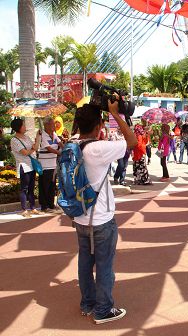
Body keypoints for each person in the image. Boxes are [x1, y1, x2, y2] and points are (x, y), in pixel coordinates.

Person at [72, 101, 137, 324]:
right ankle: (102, 310)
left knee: (84, 263)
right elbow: (133, 142)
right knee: (105, 266)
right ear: (100, 125)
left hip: (80, 217)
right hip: (101, 219)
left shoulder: (73, 145)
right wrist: (115, 113)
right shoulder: (97, 149)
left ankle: (87, 303)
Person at [10, 118, 41, 217]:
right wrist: (32, 148)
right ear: (18, 127)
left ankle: (32, 207)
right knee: (24, 188)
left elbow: (35, 147)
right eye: (23, 125)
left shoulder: (26, 137)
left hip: (31, 165)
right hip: (24, 166)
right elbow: (25, 152)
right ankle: (24, 209)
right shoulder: (14, 140)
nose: (25, 127)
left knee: (31, 188)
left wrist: (38, 137)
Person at [37, 117, 62, 213]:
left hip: (53, 164)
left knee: (52, 185)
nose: (54, 125)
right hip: (45, 165)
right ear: (46, 125)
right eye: (52, 124)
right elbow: (48, 148)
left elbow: (60, 143)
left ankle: (51, 204)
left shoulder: (54, 134)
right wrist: (60, 153)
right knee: (45, 185)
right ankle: (44, 205)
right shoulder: (42, 135)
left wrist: (65, 148)